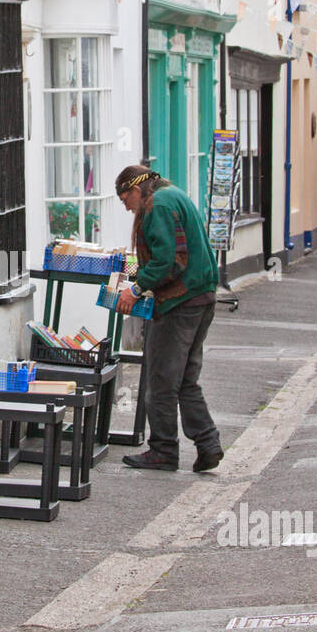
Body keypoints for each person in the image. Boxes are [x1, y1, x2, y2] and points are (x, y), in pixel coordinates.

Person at [114, 164, 224, 473]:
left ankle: (163, 450)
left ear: (135, 190)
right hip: (202, 296)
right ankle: (208, 444)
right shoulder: (173, 194)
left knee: (161, 379)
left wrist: (134, 289)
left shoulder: (159, 204)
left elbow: (169, 261)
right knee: (186, 380)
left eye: (125, 200)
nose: (126, 207)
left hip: (180, 301)